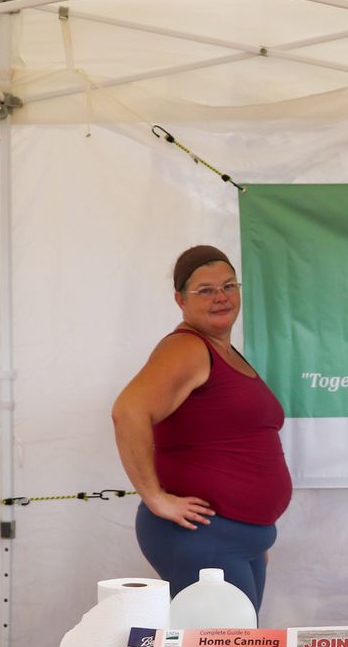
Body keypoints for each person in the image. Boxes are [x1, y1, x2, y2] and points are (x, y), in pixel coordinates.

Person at [113, 245, 292, 608]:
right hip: (204, 537)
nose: (221, 297)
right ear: (180, 299)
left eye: (228, 286)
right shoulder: (187, 349)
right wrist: (155, 498)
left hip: (238, 539)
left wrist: (255, 535)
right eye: (205, 290)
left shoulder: (222, 350)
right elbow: (128, 412)